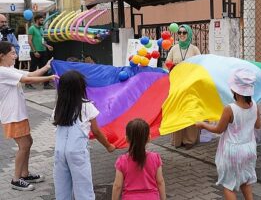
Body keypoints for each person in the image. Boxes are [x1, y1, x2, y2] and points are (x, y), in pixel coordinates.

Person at [196, 69, 261, 200]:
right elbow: (258, 125)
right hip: (249, 148)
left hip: (233, 151)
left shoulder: (230, 109)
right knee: (246, 180)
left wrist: (202, 125)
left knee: (228, 185)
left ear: (235, 90)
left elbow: (218, 130)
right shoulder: (255, 105)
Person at [0, 41, 57, 191]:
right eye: (12, 53)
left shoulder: (10, 69)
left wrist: (46, 67)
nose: (15, 56)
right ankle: (16, 179)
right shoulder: (2, 71)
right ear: (2, 56)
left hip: (19, 114)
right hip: (12, 116)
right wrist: (50, 78)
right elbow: (27, 80)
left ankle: (24, 174)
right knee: (23, 146)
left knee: (28, 143)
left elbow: (30, 74)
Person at [52, 70, 115, 200]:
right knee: (83, 187)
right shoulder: (86, 106)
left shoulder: (59, 107)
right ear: (80, 87)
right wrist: (108, 146)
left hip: (59, 152)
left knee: (61, 187)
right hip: (77, 152)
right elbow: (96, 132)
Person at [165, 24, 201, 150]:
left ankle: (190, 140)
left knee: (190, 110)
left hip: (191, 85)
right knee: (178, 110)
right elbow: (167, 64)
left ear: (189, 34)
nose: (181, 35)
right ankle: (177, 140)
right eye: (179, 32)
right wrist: (172, 65)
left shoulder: (194, 49)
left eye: (184, 32)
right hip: (177, 84)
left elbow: (200, 66)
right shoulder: (174, 48)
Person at [112, 118, 166, 200]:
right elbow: (160, 182)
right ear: (149, 138)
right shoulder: (155, 158)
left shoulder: (122, 160)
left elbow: (117, 186)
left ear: (126, 139)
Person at [27, 14, 54, 90]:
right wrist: (34, 51)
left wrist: (47, 46)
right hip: (35, 52)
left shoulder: (41, 29)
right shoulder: (32, 28)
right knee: (33, 68)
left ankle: (46, 84)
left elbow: (42, 41)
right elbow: (29, 41)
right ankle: (27, 83)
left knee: (45, 68)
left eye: (43, 20)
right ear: (37, 20)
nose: (43, 21)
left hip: (43, 51)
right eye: (41, 20)